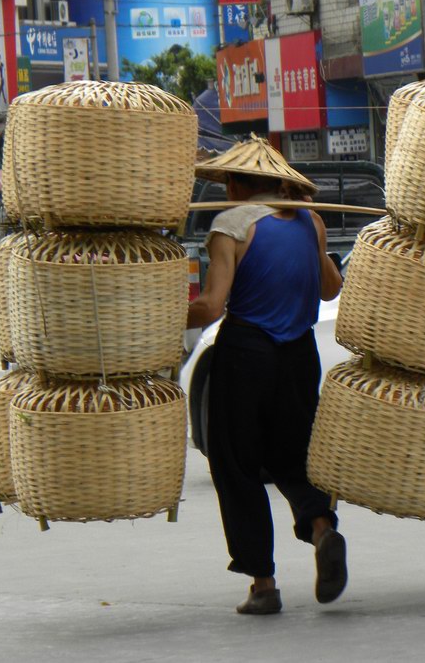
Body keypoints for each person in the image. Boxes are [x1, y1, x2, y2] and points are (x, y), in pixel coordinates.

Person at [186, 138, 346, 616]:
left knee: (235, 465)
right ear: (279, 183)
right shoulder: (310, 222)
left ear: (234, 184)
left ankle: (263, 582)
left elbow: (213, 306)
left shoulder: (230, 226)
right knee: (295, 456)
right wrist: (312, 241)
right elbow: (329, 287)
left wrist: (160, 314)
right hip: (299, 355)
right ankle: (322, 528)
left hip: (246, 354)